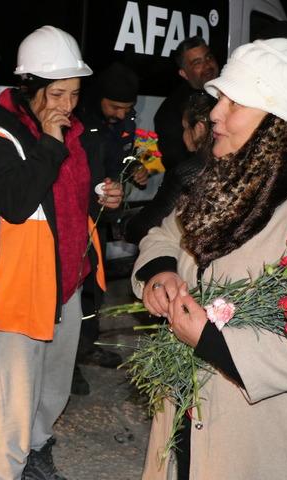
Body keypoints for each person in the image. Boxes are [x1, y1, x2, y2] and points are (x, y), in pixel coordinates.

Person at [132, 38, 287, 479]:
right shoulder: (235, 171)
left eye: (233, 102)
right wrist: (161, 271)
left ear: (277, 121)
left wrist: (210, 341)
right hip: (202, 416)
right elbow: (169, 231)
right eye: (219, 98)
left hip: (271, 442)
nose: (214, 113)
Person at [0, 25, 123, 479]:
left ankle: (37, 448)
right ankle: (5, 471)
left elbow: (70, 199)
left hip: (65, 277)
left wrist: (104, 197)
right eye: (56, 94)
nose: (67, 105)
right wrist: (50, 145)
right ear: (29, 86)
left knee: (54, 383)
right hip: (19, 285)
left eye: (74, 94)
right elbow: (16, 203)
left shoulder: (71, 131)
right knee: (16, 398)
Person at [70, 61, 142, 394]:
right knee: (72, 290)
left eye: (126, 109)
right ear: (100, 98)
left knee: (94, 288)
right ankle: (66, 365)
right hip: (74, 217)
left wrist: (135, 169)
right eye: (114, 107)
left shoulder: (123, 117)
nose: (119, 114)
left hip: (99, 216)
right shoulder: (79, 119)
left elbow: (123, 156)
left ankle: (86, 347)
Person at [123, 91, 216, 245]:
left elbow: (148, 225)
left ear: (199, 129)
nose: (183, 135)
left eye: (185, 128)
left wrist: (125, 225)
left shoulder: (191, 171)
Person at [152, 35, 219, 172]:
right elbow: (175, 164)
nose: (207, 65)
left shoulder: (232, 94)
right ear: (184, 73)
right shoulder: (170, 111)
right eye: (197, 63)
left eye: (208, 57)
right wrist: (195, 148)